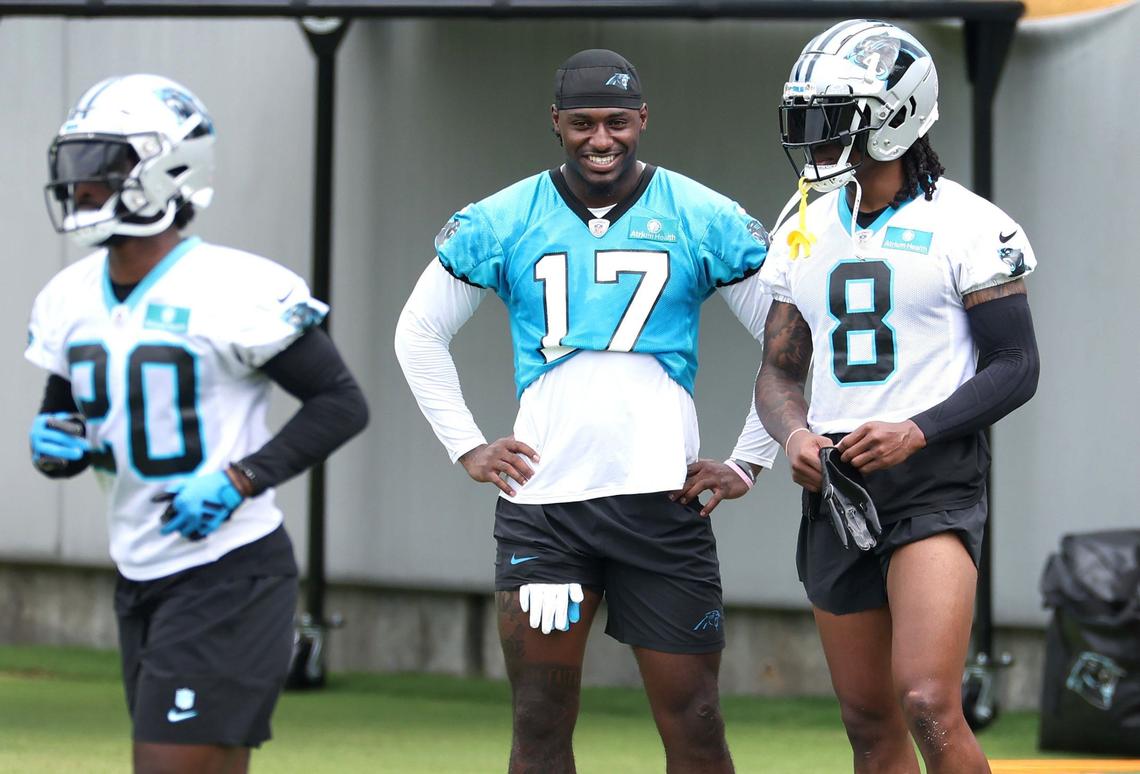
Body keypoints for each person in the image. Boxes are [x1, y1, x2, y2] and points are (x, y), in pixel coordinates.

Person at [395, 49, 778, 773]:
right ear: (556, 124)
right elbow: (417, 332)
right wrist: (467, 445)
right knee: (540, 722)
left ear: (642, 121)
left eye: (616, 122)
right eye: (582, 123)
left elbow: (787, 340)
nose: (600, 139)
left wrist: (749, 459)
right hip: (548, 511)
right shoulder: (504, 217)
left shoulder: (700, 213)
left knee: (696, 722)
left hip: (663, 506)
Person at [25, 74, 369, 774]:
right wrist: (56, 447)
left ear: (170, 168)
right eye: (76, 164)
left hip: (228, 570)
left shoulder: (235, 288)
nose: (82, 184)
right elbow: (67, 416)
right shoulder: (67, 297)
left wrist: (241, 478)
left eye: (105, 164)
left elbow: (340, 403)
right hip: (141, 568)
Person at [754, 20, 1040, 774]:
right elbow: (780, 373)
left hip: (932, 478)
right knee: (869, 724)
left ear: (896, 117)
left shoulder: (969, 225)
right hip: (838, 479)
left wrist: (917, 429)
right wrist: (795, 438)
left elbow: (1016, 365)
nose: (812, 137)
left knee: (926, 702)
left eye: (831, 117)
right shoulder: (804, 225)